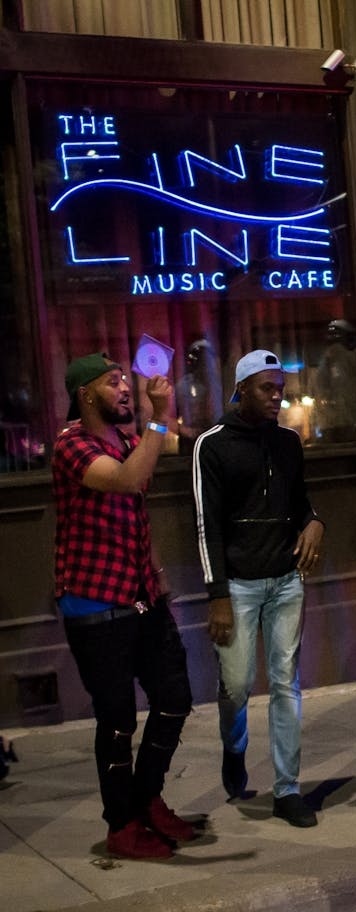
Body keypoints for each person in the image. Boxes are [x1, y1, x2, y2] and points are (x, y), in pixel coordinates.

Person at [52, 353, 195, 859]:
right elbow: (128, 480)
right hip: (94, 607)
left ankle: (146, 799)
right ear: (86, 393)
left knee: (175, 696)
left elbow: (137, 510)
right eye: (113, 383)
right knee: (117, 721)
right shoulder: (72, 446)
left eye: (124, 380)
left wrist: (155, 576)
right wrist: (159, 416)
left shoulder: (129, 440)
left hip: (140, 599)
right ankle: (122, 827)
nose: (125, 388)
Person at [193, 349, 324, 827]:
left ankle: (287, 789)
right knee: (237, 685)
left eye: (280, 388)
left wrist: (315, 523)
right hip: (240, 586)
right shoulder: (213, 444)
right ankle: (234, 746)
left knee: (286, 683)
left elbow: (301, 503)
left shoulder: (288, 441)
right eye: (267, 388)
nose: (277, 396)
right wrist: (218, 596)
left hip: (287, 579)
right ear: (241, 389)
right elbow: (206, 526)